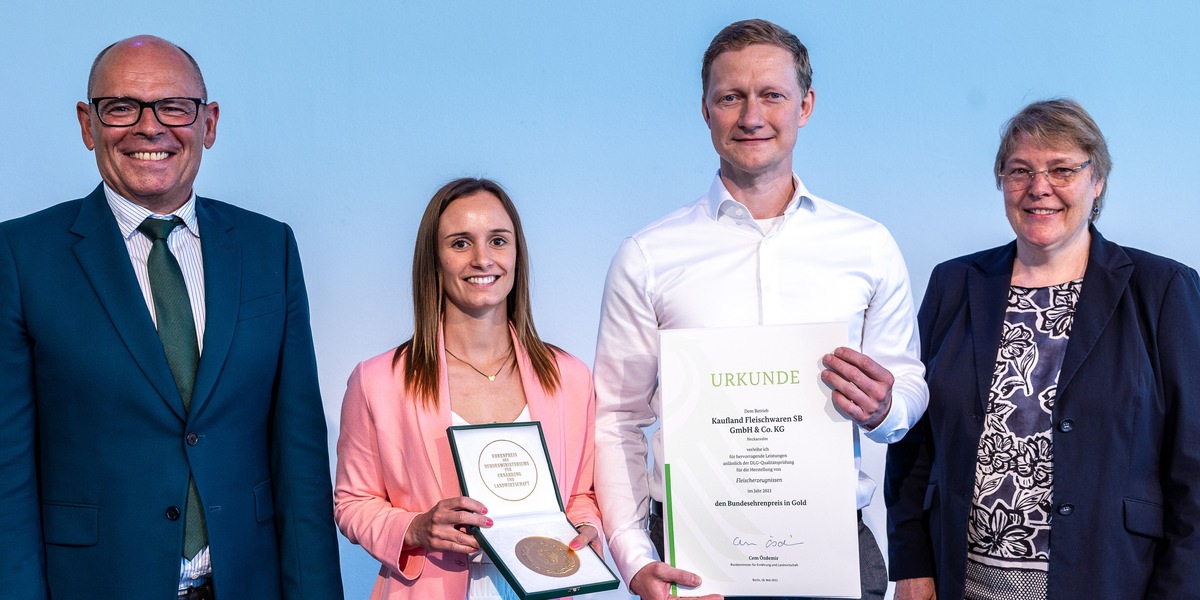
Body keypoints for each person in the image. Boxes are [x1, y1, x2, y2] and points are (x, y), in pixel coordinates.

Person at [593, 18, 928, 600]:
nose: (752, 116)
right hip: (690, 557)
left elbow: (908, 384)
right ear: (705, 110)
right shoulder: (647, 256)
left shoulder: (868, 246)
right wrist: (633, 557)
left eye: (772, 94)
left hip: (835, 551)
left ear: (806, 105)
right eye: (731, 97)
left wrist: (884, 407)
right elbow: (617, 420)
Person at [0, 35, 343, 598]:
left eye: (173, 107)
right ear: (88, 125)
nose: (149, 127)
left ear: (208, 123)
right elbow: (7, 475)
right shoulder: (20, 256)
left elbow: (299, 459)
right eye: (121, 107)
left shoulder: (268, 248)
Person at [885, 99, 1200, 599]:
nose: (1039, 187)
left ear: (1097, 182)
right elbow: (915, 442)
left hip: (1113, 580)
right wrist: (910, 565)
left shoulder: (1162, 290)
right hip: (962, 582)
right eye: (1020, 171)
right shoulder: (954, 283)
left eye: (1062, 169)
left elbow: (1193, 470)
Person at [334, 178, 602, 599]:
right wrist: (416, 526)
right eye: (460, 243)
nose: (482, 259)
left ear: (516, 254)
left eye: (498, 240)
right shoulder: (378, 380)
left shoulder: (570, 377)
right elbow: (352, 502)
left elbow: (581, 494)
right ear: (434, 260)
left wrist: (587, 525)